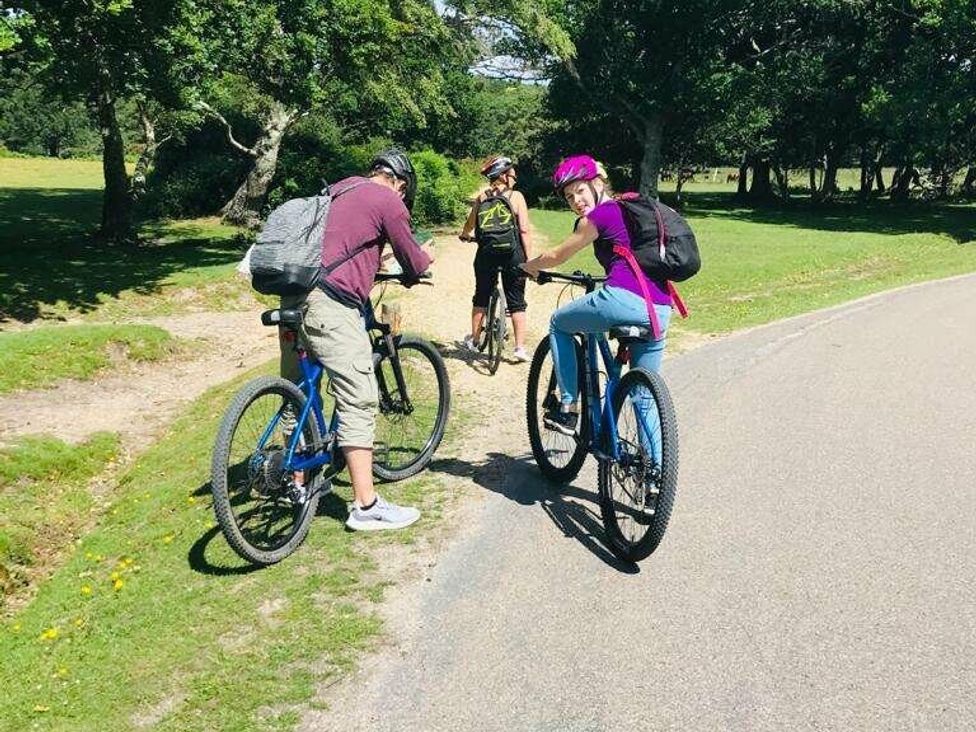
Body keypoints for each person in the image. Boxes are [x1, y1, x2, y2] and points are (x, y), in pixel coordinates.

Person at [280, 149, 434, 531]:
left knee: (296, 390)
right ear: (401, 183)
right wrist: (424, 260)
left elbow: (341, 243)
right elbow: (412, 260)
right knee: (359, 394)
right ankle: (366, 505)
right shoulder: (388, 199)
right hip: (331, 303)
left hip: (292, 293)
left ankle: (294, 483)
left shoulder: (336, 190)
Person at [521, 154, 673, 435]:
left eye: (580, 190)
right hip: (661, 308)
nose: (576, 200)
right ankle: (653, 474)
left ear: (598, 183)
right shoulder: (628, 210)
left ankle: (568, 408)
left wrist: (528, 267)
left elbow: (556, 255)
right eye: (569, 197)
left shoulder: (600, 214)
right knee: (644, 398)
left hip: (622, 299)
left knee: (559, 322)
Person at [458, 155, 534, 363]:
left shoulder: (482, 198)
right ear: (503, 176)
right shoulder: (517, 197)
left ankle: (474, 340)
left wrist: (465, 236)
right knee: (517, 302)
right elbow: (525, 231)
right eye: (513, 174)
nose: (515, 178)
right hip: (513, 254)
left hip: (486, 254)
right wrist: (529, 260)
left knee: (481, 296)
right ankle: (519, 348)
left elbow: (469, 225)